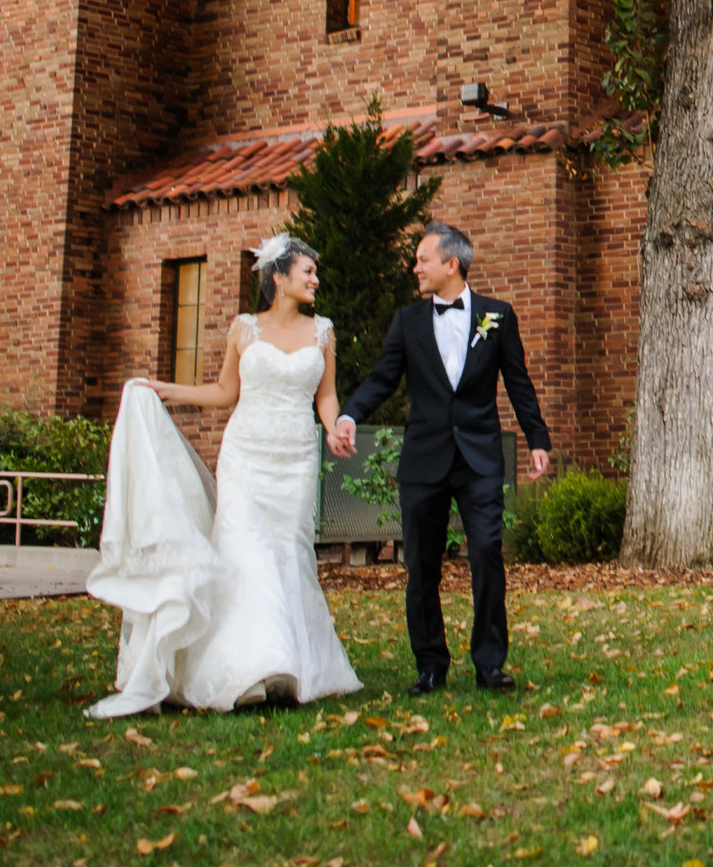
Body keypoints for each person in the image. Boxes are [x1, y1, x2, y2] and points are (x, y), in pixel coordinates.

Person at [84, 234, 362, 717]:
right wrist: (167, 390)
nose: (316, 280)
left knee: (287, 553)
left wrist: (335, 427)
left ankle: (292, 664)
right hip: (245, 456)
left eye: (316, 273)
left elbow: (325, 396)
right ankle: (249, 668)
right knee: (244, 555)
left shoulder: (324, 332)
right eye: (308, 272)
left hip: (295, 457)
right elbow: (224, 392)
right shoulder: (243, 329)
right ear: (279, 277)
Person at [329, 220, 550, 695]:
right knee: (422, 565)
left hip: (479, 460)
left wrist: (538, 439)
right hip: (424, 461)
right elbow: (382, 378)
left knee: (488, 553)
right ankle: (430, 663)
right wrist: (349, 414)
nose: (415, 268)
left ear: (452, 264)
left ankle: (490, 663)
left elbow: (518, 383)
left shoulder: (498, 317)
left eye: (422, 259)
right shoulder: (407, 322)